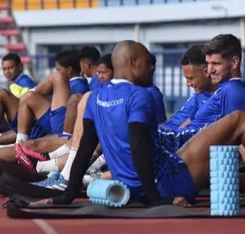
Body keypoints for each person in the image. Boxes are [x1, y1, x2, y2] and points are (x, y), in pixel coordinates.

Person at [35, 40, 239, 207]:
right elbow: (138, 145)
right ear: (132, 63)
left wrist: (67, 196)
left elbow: (85, 149)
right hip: (167, 182)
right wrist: (156, 199)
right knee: (240, 119)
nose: (151, 67)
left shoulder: (95, 97)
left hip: (131, 186)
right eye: (146, 62)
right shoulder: (140, 96)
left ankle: (61, 176)